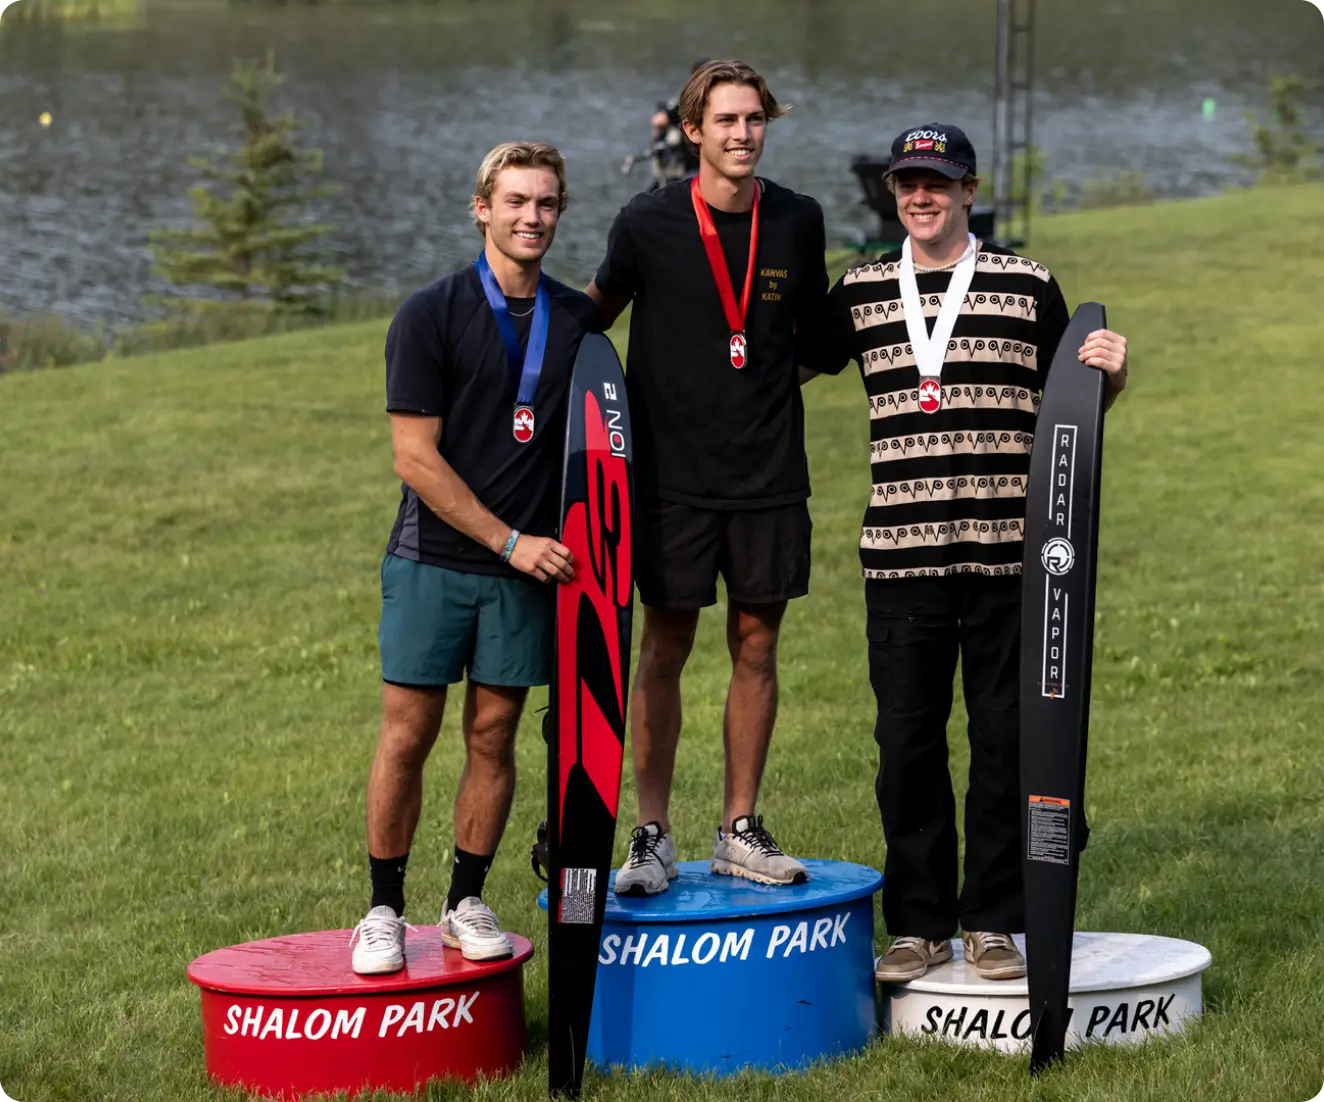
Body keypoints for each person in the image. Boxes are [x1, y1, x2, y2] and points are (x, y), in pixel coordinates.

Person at [802, 123, 1129, 982]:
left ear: (969, 190)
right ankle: (916, 925)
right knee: (906, 745)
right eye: (907, 182)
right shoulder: (863, 289)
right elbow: (778, 372)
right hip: (899, 560)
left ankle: (989, 918)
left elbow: (1074, 399)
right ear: (892, 192)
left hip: (1009, 559)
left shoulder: (1026, 285)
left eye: (938, 183)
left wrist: (1112, 372)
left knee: (1002, 743)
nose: (921, 196)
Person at [349, 141, 598, 975]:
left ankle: (464, 900)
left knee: (494, 736)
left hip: (526, 575)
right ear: (481, 207)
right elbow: (413, 458)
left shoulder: (578, 325)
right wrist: (507, 540)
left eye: (548, 203)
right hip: (434, 560)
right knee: (408, 734)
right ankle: (384, 908)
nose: (533, 217)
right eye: (517, 201)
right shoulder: (431, 313)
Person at [587, 59, 828, 896]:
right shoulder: (646, 223)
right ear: (693, 131)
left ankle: (738, 830)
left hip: (767, 474)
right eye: (724, 121)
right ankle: (651, 834)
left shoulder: (797, 220)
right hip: (667, 482)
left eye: (754, 119)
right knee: (666, 646)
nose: (741, 134)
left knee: (756, 647)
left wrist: (754, 380)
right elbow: (591, 326)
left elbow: (817, 340)